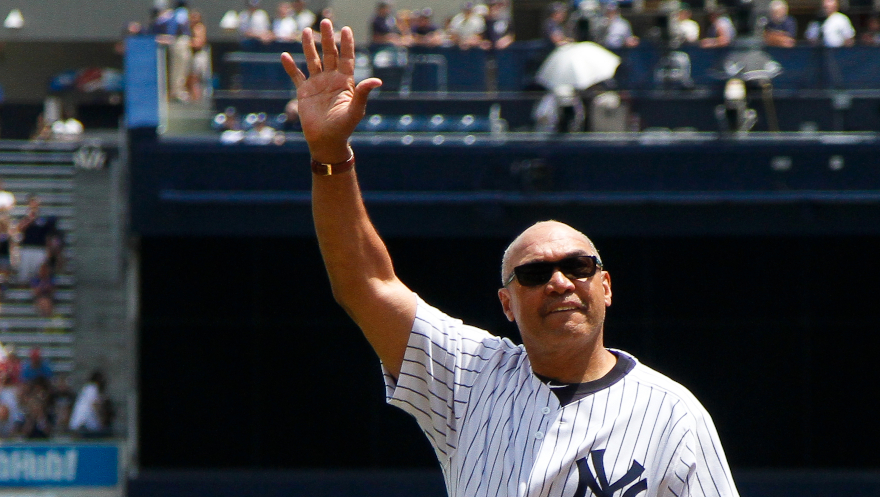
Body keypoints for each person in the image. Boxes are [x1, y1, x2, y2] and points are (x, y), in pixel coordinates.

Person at [280, 20, 740, 497]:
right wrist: (330, 154)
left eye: (578, 267)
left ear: (605, 286)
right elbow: (365, 284)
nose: (560, 282)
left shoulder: (672, 415)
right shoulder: (469, 376)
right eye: (534, 273)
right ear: (507, 304)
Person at [16, 195, 57, 284]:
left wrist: (48, 250)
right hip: (26, 248)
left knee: (38, 272)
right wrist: (30, 219)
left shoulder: (44, 218)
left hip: (40, 248)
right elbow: (19, 229)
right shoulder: (23, 216)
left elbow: (48, 235)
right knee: (25, 274)